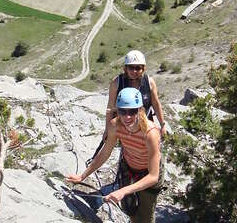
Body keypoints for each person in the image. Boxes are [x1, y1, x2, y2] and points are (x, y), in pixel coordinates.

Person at [67, 88, 163, 223]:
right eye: (123, 111)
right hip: (128, 167)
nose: (127, 116)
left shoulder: (150, 133)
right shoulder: (115, 125)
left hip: (148, 172)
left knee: (145, 215)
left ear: (140, 110)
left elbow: (153, 176)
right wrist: (83, 176)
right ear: (118, 111)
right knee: (129, 209)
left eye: (132, 111)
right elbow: (105, 153)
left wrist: (123, 190)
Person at [106, 50, 166, 136]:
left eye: (138, 68)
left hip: (145, 125)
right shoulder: (117, 83)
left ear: (143, 69)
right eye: (131, 67)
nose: (134, 71)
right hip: (124, 125)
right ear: (125, 68)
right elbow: (110, 107)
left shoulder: (149, 82)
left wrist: (162, 125)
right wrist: (107, 129)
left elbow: (156, 104)